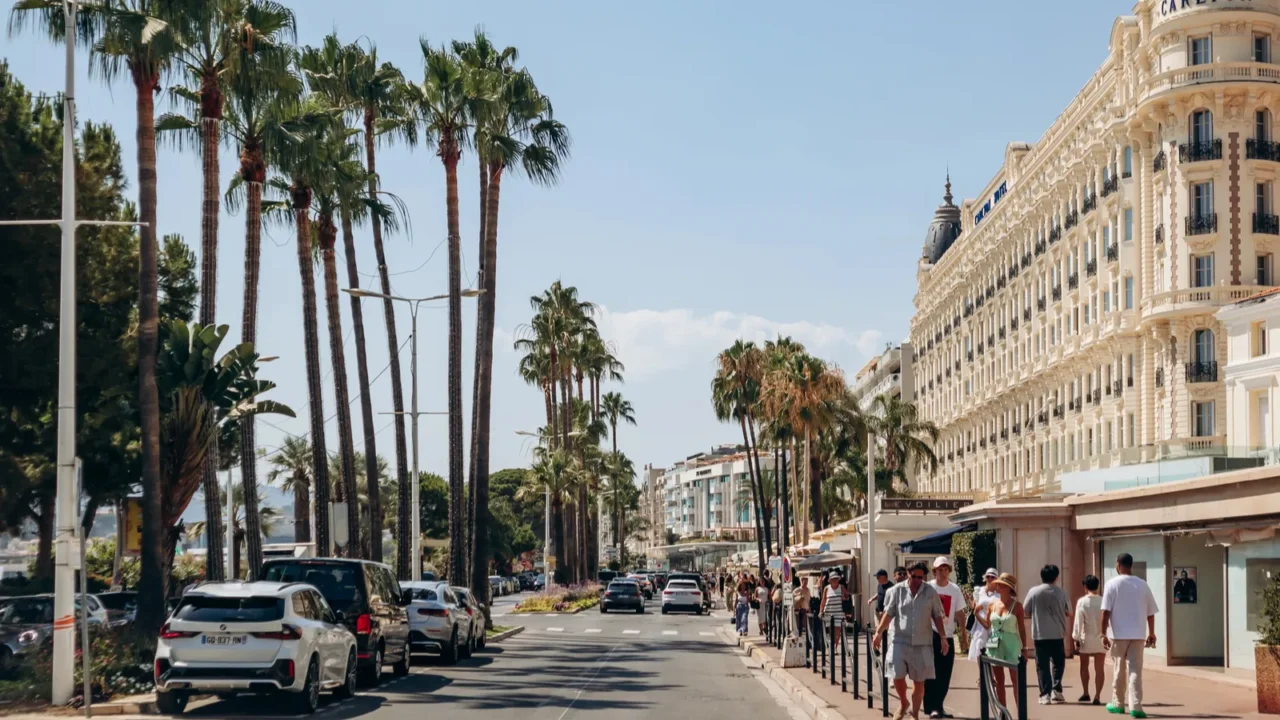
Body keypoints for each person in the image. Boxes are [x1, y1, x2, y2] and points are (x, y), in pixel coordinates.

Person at [872, 562, 949, 720]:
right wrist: (879, 632)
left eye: (920, 577)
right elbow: (889, 613)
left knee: (919, 682)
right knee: (897, 674)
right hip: (900, 640)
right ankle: (903, 702)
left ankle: (914, 712)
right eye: (914, 576)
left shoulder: (930, 591)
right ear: (908, 573)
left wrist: (943, 637)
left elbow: (937, 616)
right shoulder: (897, 591)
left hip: (922, 643)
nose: (917, 580)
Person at [1101, 553, 1159, 719]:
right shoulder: (1142, 584)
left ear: (1118, 565)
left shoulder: (1112, 584)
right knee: (1135, 670)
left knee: (1119, 669)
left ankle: (1118, 704)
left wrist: (1102, 633)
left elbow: (1105, 612)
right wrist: (1152, 632)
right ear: (1131, 565)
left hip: (1118, 635)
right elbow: (1151, 612)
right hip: (1138, 635)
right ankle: (1136, 706)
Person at [974, 573, 1027, 713]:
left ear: (1010, 588)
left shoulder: (1017, 606)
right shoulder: (992, 605)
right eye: (998, 584)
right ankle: (1003, 712)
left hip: (1011, 643)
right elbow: (987, 625)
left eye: (1003, 585)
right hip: (994, 641)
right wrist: (976, 614)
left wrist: (1025, 648)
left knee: (1016, 680)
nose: (999, 586)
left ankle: (1021, 712)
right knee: (999, 681)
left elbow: (1021, 629)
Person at [923, 557, 966, 719]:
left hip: (948, 635)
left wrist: (963, 636)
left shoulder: (954, 589)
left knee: (945, 673)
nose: (943, 572)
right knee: (931, 672)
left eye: (946, 569)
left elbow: (960, 613)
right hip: (930, 634)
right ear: (934, 571)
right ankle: (931, 707)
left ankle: (939, 706)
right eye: (939, 569)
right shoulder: (928, 588)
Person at [1023, 564, 1071, 705]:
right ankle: (1056, 690)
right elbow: (1069, 612)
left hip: (1040, 633)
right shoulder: (1062, 593)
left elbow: (1026, 610)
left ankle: (1045, 694)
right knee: (1058, 663)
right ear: (1056, 577)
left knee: (1042, 665)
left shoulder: (1034, 592)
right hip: (1057, 633)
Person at [1073, 574, 1105, 705]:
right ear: (1098, 586)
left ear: (1085, 587)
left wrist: (1076, 637)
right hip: (1101, 639)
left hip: (1086, 638)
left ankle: (1086, 692)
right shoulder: (1103, 600)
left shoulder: (1082, 602)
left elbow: (1078, 622)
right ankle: (1097, 696)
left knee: (1084, 666)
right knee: (1100, 668)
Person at [967, 568, 999, 661]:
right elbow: (974, 606)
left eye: (992, 577)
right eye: (988, 576)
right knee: (979, 650)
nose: (989, 578)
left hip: (993, 626)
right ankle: (982, 674)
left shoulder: (999, 594)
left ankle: (991, 675)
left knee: (992, 652)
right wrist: (971, 603)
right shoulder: (979, 591)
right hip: (980, 625)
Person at [818, 572, 847, 647]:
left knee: (838, 630)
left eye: (836, 579)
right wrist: (821, 611)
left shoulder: (842, 587)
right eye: (833, 579)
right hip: (829, 612)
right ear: (830, 580)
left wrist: (845, 598)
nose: (835, 580)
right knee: (831, 631)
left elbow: (847, 597)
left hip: (839, 612)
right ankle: (832, 644)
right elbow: (823, 600)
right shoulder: (826, 588)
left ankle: (835, 646)